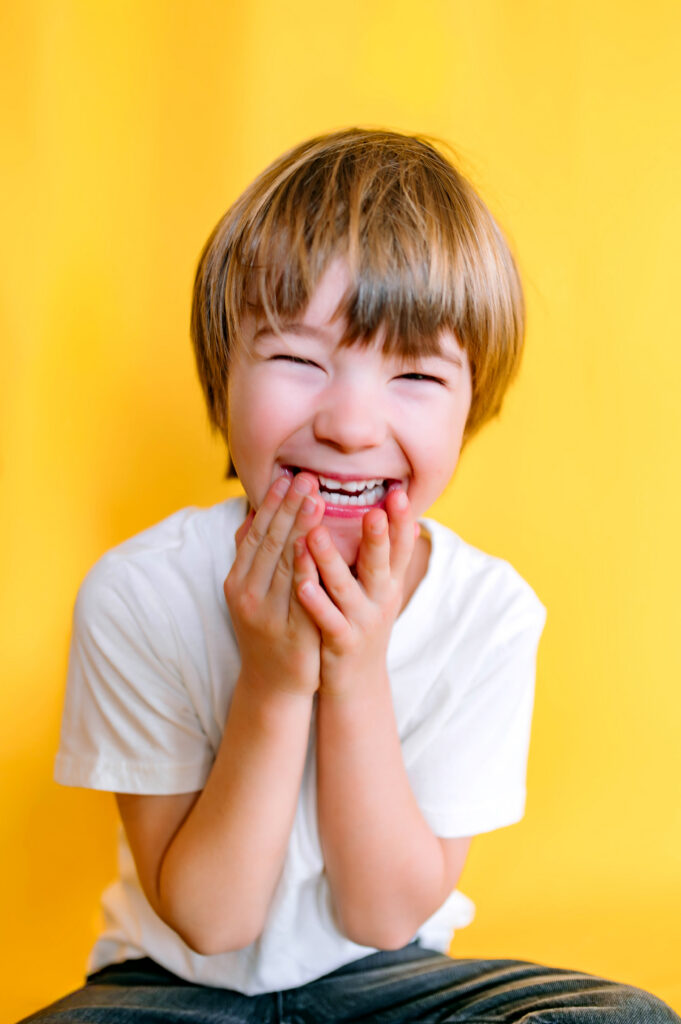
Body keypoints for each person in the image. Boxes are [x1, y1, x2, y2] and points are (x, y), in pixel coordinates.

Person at [22, 128, 679, 1023]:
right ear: (224, 377)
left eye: (413, 373)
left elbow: (380, 914)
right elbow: (210, 921)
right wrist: (274, 680)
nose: (350, 424)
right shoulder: (139, 593)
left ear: (468, 405)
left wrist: (356, 671)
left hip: (393, 980)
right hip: (172, 989)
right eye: (297, 359)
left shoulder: (488, 614)